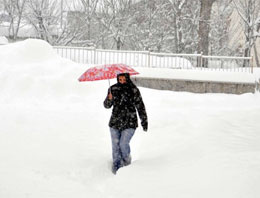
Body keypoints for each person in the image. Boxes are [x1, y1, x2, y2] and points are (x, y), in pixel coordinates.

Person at [104, 73, 148, 174]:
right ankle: (116, 168)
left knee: (123, 144)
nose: (122, 81)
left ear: (127, 78)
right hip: (115, 122)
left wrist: (144, 121)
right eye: (120, 79)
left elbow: (140, 106)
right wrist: (109, 99)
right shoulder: (113, 89)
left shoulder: (133, 90)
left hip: (130, 122)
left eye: (124, 79)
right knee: (115, 147)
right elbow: (107, 106)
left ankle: (127, 165)